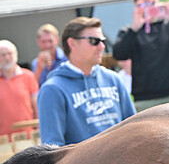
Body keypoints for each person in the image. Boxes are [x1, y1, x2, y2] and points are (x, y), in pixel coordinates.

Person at [37, 17, 135, 146]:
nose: (102, 47)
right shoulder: (52, 89)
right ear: (72, 43)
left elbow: (133, 129)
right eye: (94, 41)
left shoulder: (113, 80)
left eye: (102, 41)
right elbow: (53, 148)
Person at [0, 40, 38, 138]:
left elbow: (37, 106)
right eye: (3, 55)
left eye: (9, 53)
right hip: (2, 139)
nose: (7, 58)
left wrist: (38, 130)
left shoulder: (28, 76)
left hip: (27, 136)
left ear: (15, 55)